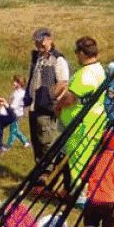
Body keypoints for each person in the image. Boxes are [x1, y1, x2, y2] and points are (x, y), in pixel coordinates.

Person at [58, 36, 112, 188]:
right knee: (89, 157)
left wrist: (57, 107)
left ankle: (79, 194)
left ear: (82, 53)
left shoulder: (84, 75)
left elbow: (70, 99)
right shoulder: (100, 69)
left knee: (77, 160)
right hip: (96, 120)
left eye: (77, 52)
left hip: (80, 125)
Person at [24, 28, 71, 166]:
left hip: (46, 108)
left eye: (41, 41)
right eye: (37, 42)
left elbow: (63, 83)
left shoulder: (58, 59)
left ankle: (48, 173)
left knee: (46, 143)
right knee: (36, 143)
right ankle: (39, 174)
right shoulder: (37, 58)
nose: (39, 45)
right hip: (34, 107)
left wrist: (48, 97)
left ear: (50, 40)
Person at [3, 75, 31, 151]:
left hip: (15, 114)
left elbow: (13, 106)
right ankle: (25, 142)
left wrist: (5, 108)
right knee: (15, 129)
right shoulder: (20, 92)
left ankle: (8, 146)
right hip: (18, 113)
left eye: (15, 81)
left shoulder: (18, 94)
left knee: (13, 131)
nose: (13, 83)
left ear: (19, 83)